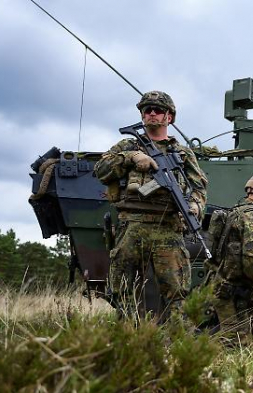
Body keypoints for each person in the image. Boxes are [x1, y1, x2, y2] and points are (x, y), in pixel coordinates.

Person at [94, 90, 208, 322]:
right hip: (132, 226)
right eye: (147, 110)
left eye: (158, 110)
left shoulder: (182, 153)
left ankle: (178, 342)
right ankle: (128, 339)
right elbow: (101, 170)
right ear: (142, 115)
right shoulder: (129, 144)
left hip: (168, 228)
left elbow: (199, 187)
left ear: (170, 117)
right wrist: (132, 157)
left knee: (177, 292)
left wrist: (195, 207)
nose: (152, 114)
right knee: (123, 290)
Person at [210, 173, 253, 346]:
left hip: (224, 284)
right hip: (239, 292)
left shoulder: (235, 212)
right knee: (237, 342)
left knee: (227, 335)